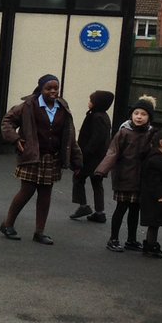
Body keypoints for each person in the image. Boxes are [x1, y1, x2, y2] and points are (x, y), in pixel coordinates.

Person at [0, 74, 82, 244]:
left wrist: (76, 159)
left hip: (52, 158)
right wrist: (15, 139)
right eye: (48, 88)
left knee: (45, 194)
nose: (53, 91)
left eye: (55, 88)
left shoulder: (62, 107)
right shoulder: (29, 105)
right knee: (27, 191)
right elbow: (7, 121)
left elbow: (70, 135)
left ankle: (39, 232)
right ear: (41, 89)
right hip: (32, 155)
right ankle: (7, 224)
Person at [95, 97, 156, 253]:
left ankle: (131, 239)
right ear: (131, 115)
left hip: (141, 179)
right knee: (121, 208)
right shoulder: (124, 132)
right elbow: (112, 152)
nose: (139, 117)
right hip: (124, 176)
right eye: (136, 113)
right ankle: (113, 239)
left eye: (143, 114)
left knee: (135, 211)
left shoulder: (151, 134)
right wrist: (101, 171)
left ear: (149, 117)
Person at [69, 89, 114, 223]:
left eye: (91, 100)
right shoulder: (102, 116)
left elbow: (95, 140)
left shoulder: (96, 117)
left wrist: (83, 154)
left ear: (97, 103)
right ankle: (100, 212)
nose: (89, 102)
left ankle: (83, 205)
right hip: (99, 157)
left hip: (91, 157)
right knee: (97, 182)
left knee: (78, 178)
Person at [139, 127, 162, 258]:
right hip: (155, 199)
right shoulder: (155, 160)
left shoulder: (158, 158)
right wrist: (160, 196)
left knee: (155, 223)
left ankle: (151, 245)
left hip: (155, 198)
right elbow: (154, 181)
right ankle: (151, 246)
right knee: (154, 223)